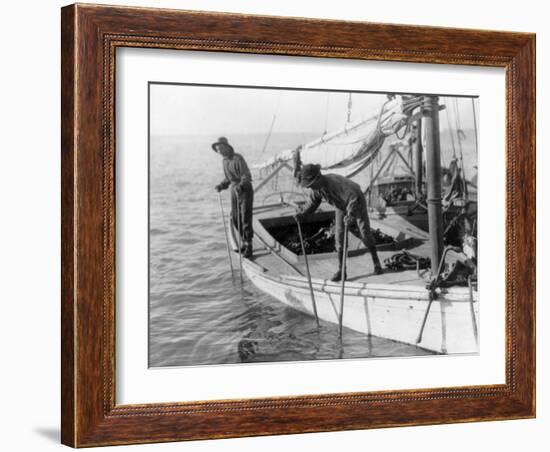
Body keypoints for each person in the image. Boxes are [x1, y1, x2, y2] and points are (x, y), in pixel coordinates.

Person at [296, 164, 383, 281]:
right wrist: (303, 214)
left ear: (318, 178)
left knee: (364, 233)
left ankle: (376, 262)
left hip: (356, 201)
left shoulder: (335, 183)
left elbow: (353, 198)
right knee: (339, 236)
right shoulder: (316, 188)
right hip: (341, 205)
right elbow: (312, 203)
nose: (309, 188)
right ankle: (342, 271)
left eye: (310, 185)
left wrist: (350, 216)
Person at [213, 137, 254, 258]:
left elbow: (246, 176)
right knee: (236, 219)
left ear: (226, 147)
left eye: (220, 148)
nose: (219, 151)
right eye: (217, 150)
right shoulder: (224, 161)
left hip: (244, 190)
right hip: (234, 191)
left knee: (245, 218)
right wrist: (221, 185)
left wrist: (240, 186)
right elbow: (228, 178)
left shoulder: (238, 158)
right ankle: (244, 243)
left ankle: (249, 245)